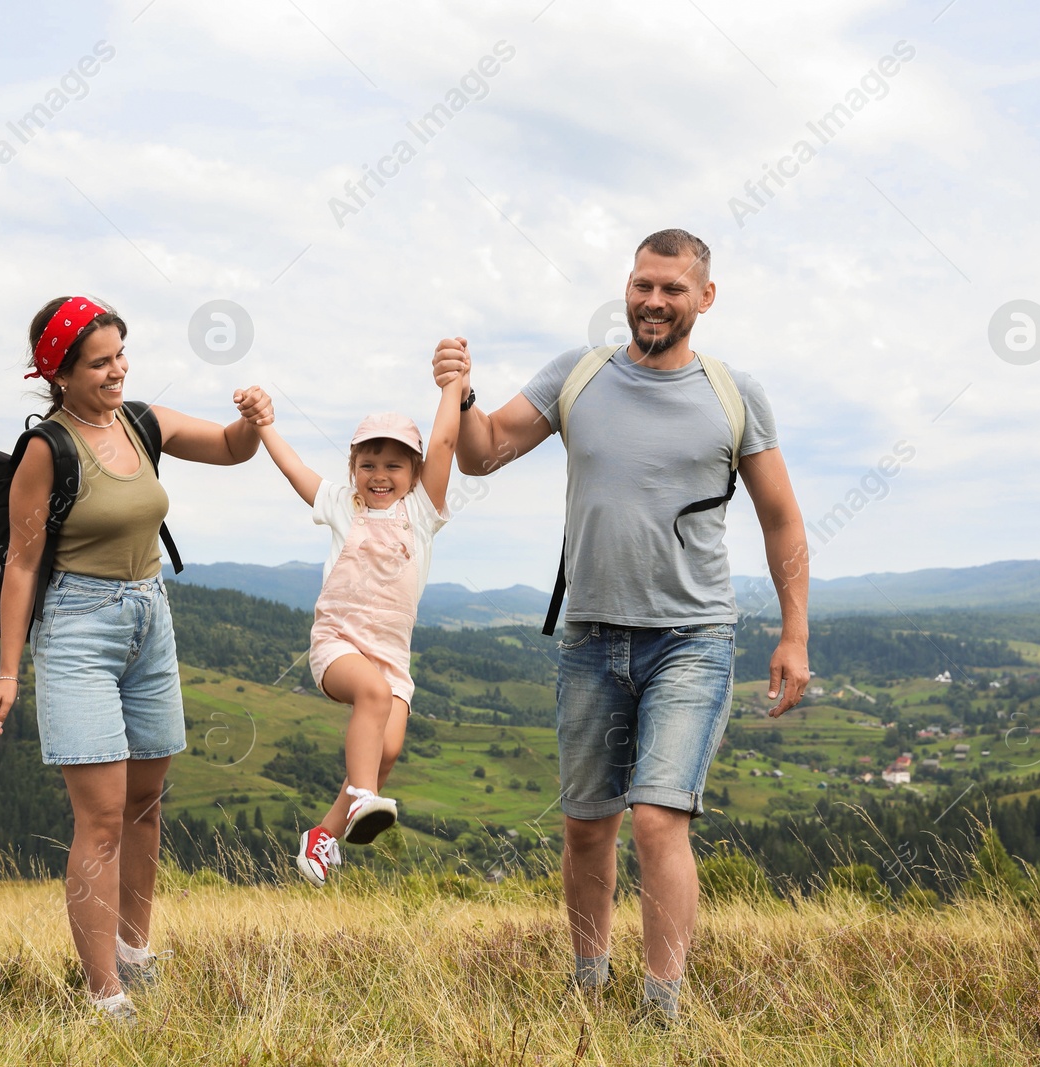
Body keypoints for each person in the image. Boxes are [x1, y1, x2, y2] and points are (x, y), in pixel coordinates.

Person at [432, 229, 811, 1025]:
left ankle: (662, 1006)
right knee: (585, 825)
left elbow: (781, 518)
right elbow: (484, 452)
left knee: (656, 815)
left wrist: (794, 632)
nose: (653, 301)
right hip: (590, 636)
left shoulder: (733, 394)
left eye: (673, 288)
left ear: (705, 298)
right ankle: (587, 981)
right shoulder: (579, 374)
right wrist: (462, 396)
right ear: (627, 288)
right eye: (643, 284)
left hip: (692, 639)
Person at [0, 296, 272, 1023]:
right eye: (100, 361)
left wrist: (253, 421)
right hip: (79, 626)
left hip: (150, 615)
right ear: (61, 374)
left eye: (120, 354)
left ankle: (136, 954)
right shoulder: (48, 449)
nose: (117, 370)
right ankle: (103, 991)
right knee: (102, 818)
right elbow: (21, 562)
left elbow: (231, 448)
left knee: (145, 803)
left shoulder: (141, 420)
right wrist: (10, 670)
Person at [235, 373, 463, 886]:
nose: (378, 476)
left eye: (393, 465)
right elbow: (295, 469)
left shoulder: (422, 513)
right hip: (338, 643)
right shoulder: (343, 505)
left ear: (416, 471)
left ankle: (324, 837)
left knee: (388, 747)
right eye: (367, 465)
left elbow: (446, 440)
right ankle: (363, 798)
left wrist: (454, 385)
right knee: (373, 696)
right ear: (352, 468)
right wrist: (264, 424)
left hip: (392, 656)